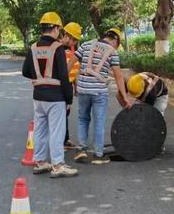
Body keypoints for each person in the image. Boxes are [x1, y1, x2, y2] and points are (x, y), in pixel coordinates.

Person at [22, 12, 78, 178]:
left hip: (38, 96)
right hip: (55, 97)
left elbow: (25, 71)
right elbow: (63, 75)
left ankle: (40, 162)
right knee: (56, 131)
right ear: (55, 28)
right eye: (58, 29)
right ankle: (58, 165)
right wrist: (68, 98)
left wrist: (40, 78)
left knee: (40, 129)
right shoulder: (57, 48)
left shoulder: (33, 47)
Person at [69, 28, 133, 164]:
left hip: (83, 89)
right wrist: (125, 98)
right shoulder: (113, 52)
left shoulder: (86, 45)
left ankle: (81, 149)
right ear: (115, 40)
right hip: (99, 91)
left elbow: (72, 61)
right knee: (99, 122)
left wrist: (65, 78)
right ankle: (98, 155)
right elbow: (118, 76)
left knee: (82, 119)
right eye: (117, 44)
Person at [60, 22, 82, 150]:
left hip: (68, 86)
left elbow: (75, 69)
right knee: (60, 115)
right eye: (73, 39)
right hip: (59, 86)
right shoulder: (57, 49)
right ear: (66, 35)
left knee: (65, 113)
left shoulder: (74, 51)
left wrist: (76, 86)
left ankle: (65, 139)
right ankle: (60, 141)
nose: (74, 42)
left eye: (75, 40)